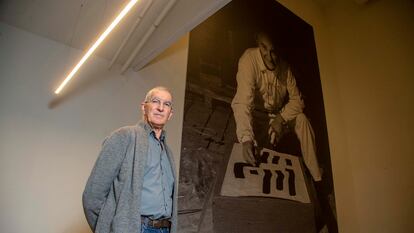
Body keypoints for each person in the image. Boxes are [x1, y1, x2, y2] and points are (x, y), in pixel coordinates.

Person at [83, 86, 177, 233]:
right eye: (155, 101)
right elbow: (92, 196)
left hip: (164, 229)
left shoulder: (167, 152)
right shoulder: (124, 136)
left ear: (170, 114)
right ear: (144, 107)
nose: (160, 107)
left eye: (166, 104)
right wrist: (108, 229)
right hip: (134, 228)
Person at [231, 32, 322, 182]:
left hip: (277, 116)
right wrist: (246, 138)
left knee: (302, 119)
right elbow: (242, 103)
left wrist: (280, 119)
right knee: (256, 160)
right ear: (257, 42)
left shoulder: (285, 67)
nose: (268, 55)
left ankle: (316, 176)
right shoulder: (248, 60)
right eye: (264, 47)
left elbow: (298, 101)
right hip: (257, 116)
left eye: (273, 51)